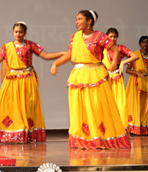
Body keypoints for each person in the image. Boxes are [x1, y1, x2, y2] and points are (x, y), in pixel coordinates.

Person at [51, 10, 130, 149]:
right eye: (76, 19)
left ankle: (99, 137)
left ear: (89, 21)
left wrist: (114, 62)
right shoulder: (75, 36)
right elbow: (70, 53)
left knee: (97, 106)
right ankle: (84, 138)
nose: (77, 22)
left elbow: (115, 50)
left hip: (96, 74)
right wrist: (55, 63)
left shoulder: (99, 36)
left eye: (80, 19)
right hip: (79, 76)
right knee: (79, 108)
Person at [0, 21, 63, 143]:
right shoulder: (7, 47)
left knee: (27, 107)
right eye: (16, 32)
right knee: (11, 107)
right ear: (13, 32)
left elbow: (46, 55)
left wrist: (63, 54)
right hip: (12, 81)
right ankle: (12, 133)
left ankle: (25, 134)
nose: (18, 34)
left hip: (27, 80)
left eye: (21, 32)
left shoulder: (30, 45)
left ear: (25, 33)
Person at [103, 28, 138, 132]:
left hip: (117, 79)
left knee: (120, 103)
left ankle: (120, 129)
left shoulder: (120, 48)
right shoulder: (102, 49)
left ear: (117, 37)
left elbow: (135, 56)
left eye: (115, 36)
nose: (113, 38)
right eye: (110, 36)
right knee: (105, 103)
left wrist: (123, 62)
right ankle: (107, 129)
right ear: (106, 37)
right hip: (105, 79)